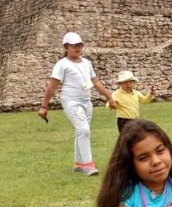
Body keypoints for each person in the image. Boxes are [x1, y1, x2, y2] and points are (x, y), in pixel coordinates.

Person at [38, 32, 117, 175]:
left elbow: (96, 82)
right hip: (71, 100)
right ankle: (88, 164)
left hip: (86, 101)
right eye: (74, 45)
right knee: (84, 130)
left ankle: (79, 163)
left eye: (80, 45)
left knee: (81, 131)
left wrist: (109, 98)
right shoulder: (62, 65)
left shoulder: (87, 63)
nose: (78, 48)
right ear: (66, 47)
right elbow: (52, 86)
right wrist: (44, 106)